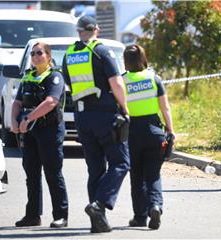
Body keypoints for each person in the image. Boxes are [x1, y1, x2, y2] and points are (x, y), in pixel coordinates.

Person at [62, 16, 130, 233]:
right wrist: (125, 108)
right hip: (105, 116)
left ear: (78, 31)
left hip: (82, 117)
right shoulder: (101, 51)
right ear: (96, 30)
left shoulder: (70, 54)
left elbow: (69, 83)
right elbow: (116, 82)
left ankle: (97, 222)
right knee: (120, 162)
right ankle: (99, 204)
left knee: (95, 169)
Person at [11, 42, 69, 228]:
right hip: (29, 131)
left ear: (48, 56)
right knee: (31, 173)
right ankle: (32, 215)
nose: (36, 56)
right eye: (33, 54)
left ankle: (61, 215)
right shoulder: (28, 76)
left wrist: (27, 119)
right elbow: (17, 102)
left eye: (40, 53)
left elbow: (51, 102)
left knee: (53, 173)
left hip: (49, 129)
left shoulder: (55, 77)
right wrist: (13, 120)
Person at [122, 44, 175, 230]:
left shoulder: (122, 81)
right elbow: (165, 108)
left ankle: (139, 217)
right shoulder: (155, 78)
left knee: (136, 177)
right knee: (153, 175)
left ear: (125, 62)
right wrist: (170, 131)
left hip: (131, 133)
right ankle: (155, 206)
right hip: (154, 132)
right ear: (143, 58)